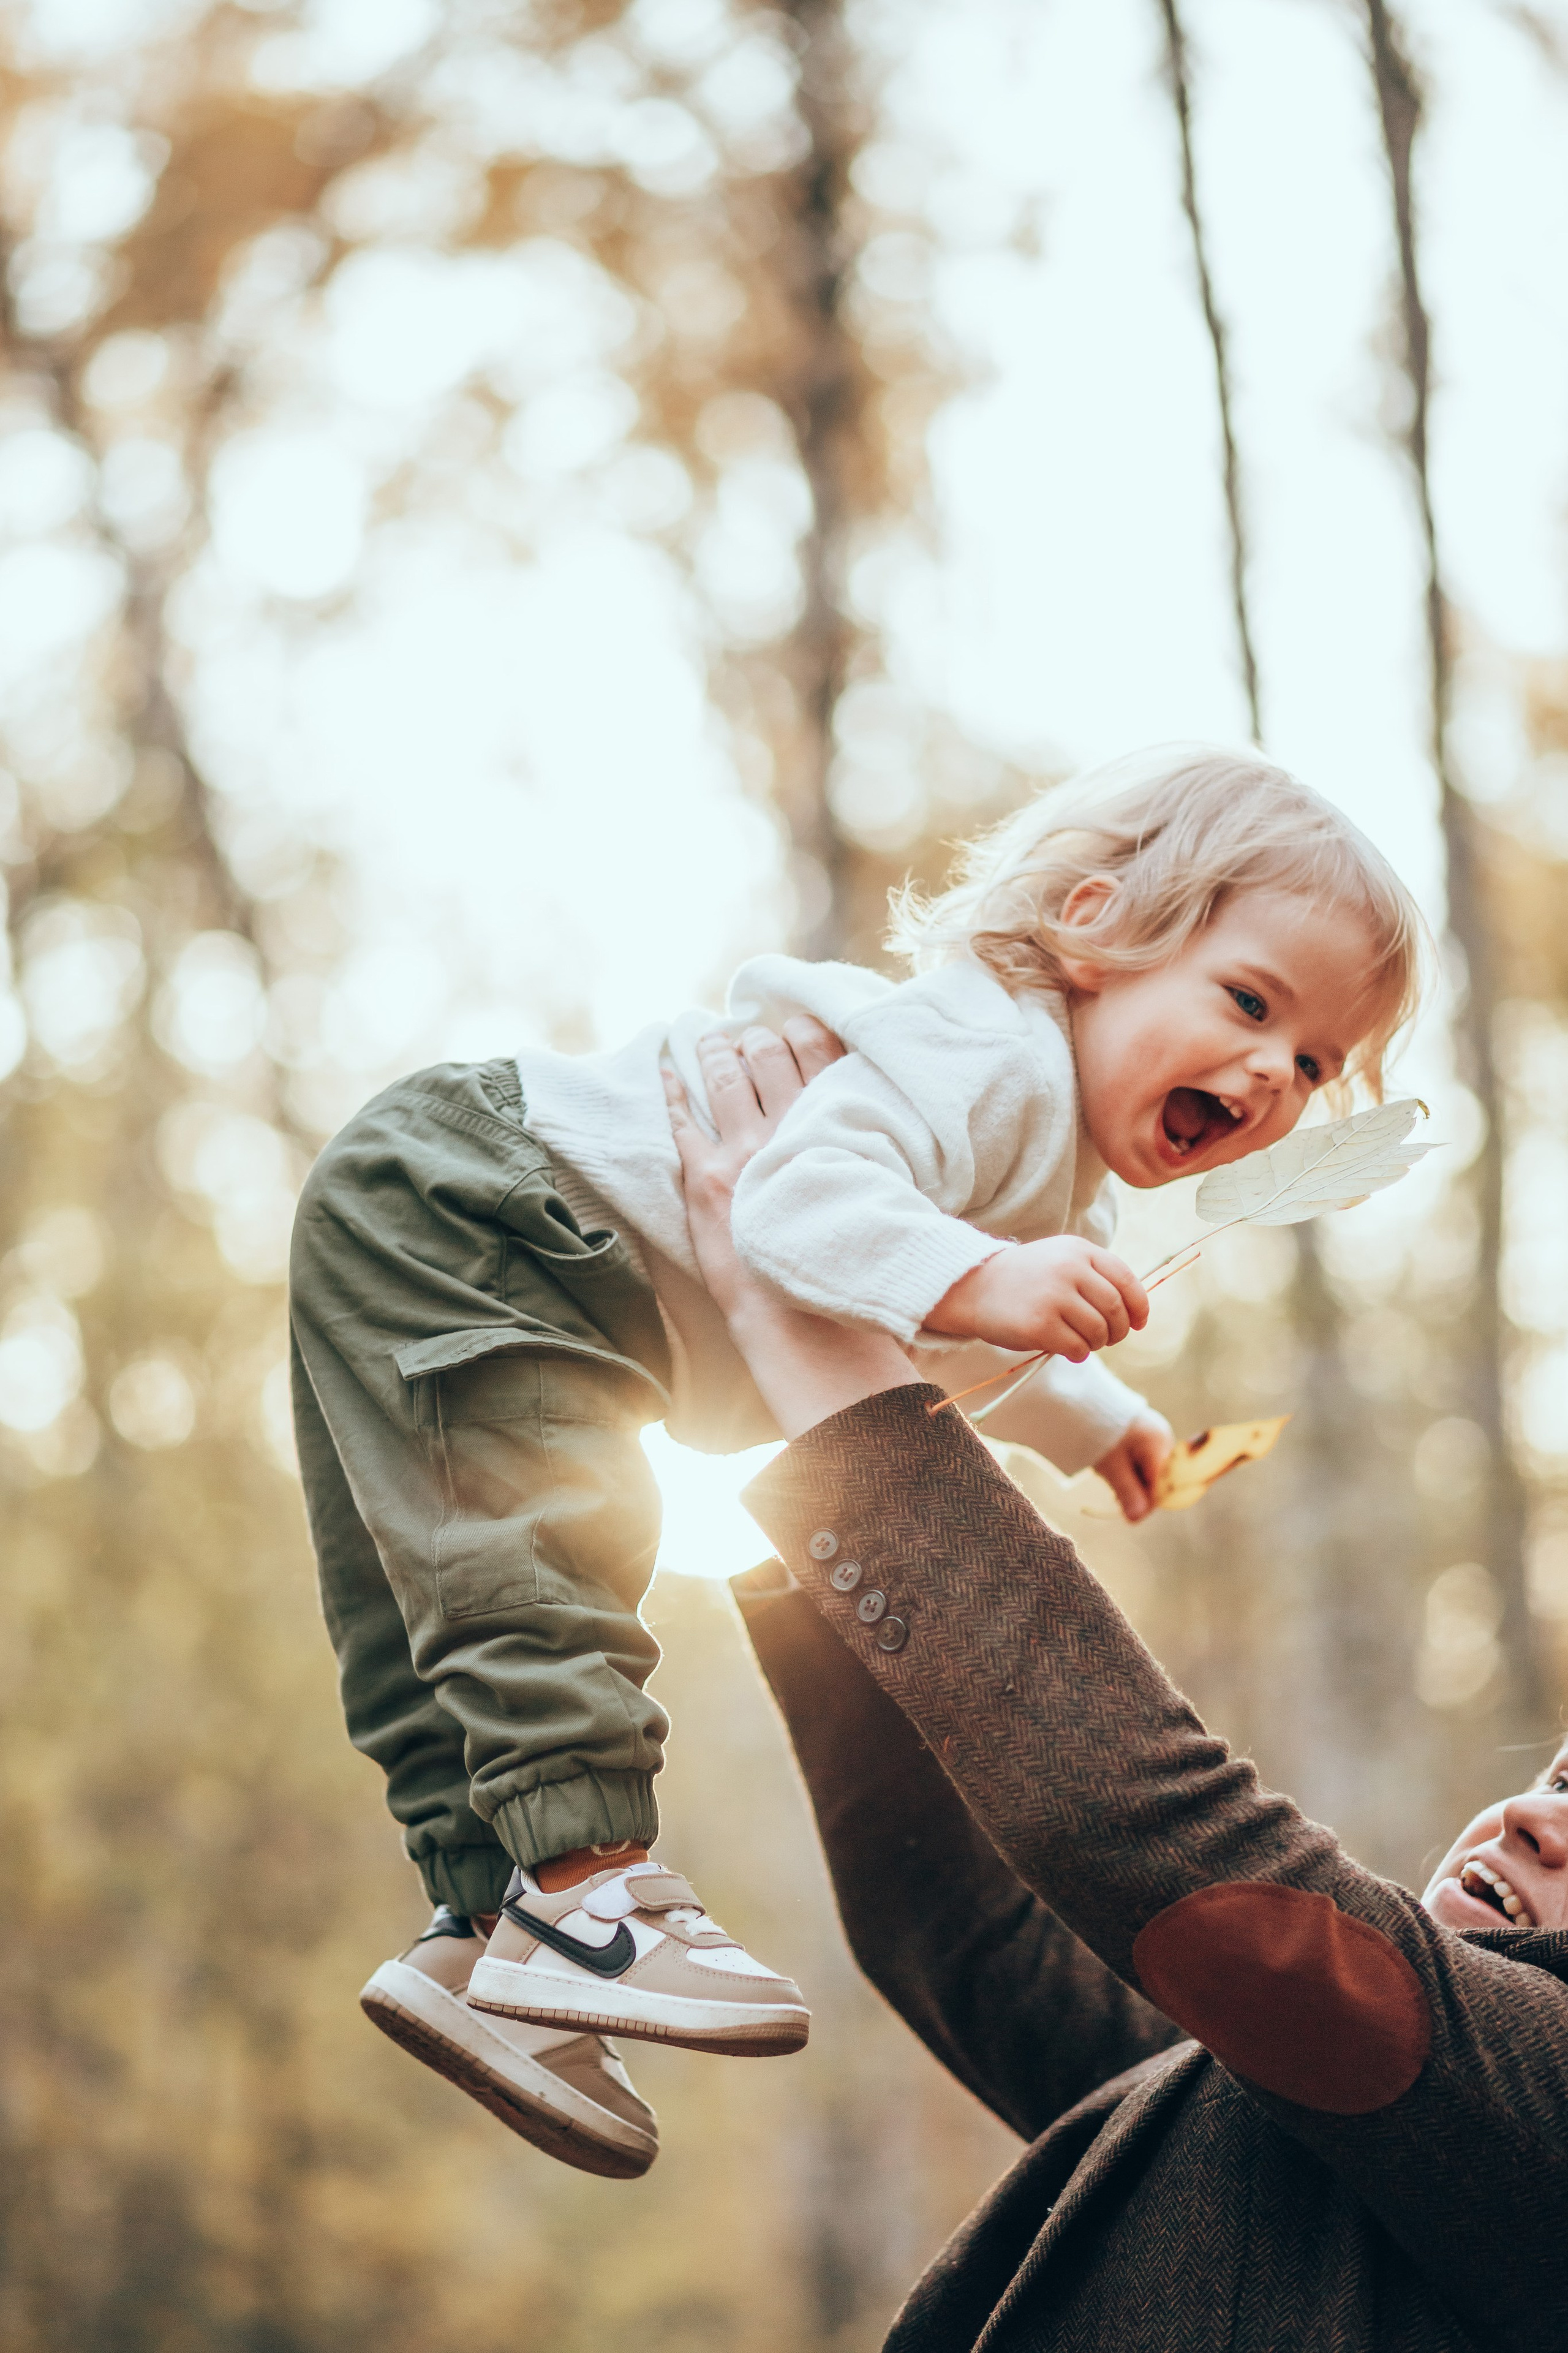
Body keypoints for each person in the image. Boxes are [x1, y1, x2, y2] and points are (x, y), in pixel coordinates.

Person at [288, 744, 1425, 2169]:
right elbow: (797, 1207)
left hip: (466, 1230)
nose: (1271, 1072)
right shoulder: (986, 1050)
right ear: (1094, 927)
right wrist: (985, 1277)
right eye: (1248, 1002)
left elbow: (925, 1335)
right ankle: (595, 1890)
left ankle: (481, 1935)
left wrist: (1101, 1425)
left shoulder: (1049, 1163)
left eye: (1313, 1063)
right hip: (495, 1210)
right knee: (540, 1559)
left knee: (426, 1604)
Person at [669, 1029, 1568, 2351]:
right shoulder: (1267, 2100)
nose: (1538, 1819)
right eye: (1559, 1777)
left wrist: (822, 1360)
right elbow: (965, 1935)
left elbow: (1184, 1856)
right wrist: (793, 1432)